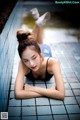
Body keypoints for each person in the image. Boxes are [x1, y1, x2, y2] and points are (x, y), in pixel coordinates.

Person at [14, 8, 65, 100]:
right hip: (37, 51)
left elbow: (61, 95)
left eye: (34, 58)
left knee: (38, 44)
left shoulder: (53, 63)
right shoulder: (22, 64)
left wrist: (32, 89)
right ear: (22, 60)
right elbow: (17, 94)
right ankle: (38, 23)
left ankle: (38, 23)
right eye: (26, 60)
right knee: (31, 47)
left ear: (40, 55)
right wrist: (50, 92)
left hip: (45, 52)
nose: (31, 64)